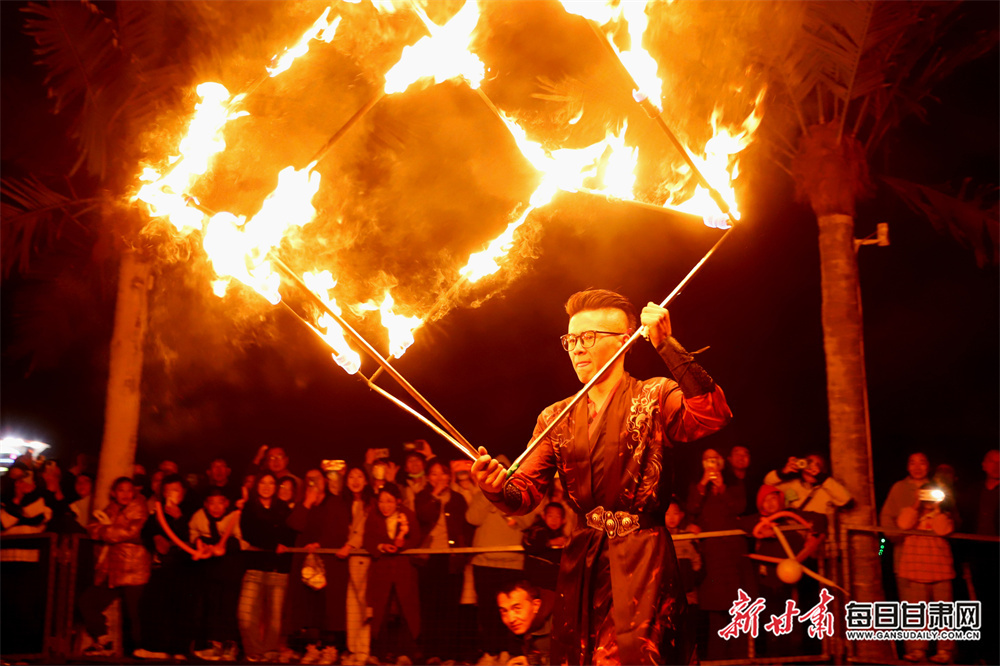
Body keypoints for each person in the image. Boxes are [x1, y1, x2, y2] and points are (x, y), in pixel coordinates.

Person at [471, 289, 731, 665]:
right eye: (571, 339)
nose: (577, 348)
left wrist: (667, 345)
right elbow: (524, 494)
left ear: (625, 341)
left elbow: (712, 414)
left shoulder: (654, 395)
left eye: (588, 337)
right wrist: (494, 487)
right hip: (584, 564)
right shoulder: (554, 418)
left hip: (644, 559)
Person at [686, 448, 754, 661]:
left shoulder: (734, 484)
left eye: (715, 459)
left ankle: (742, 660)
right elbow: (691, 509)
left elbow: (739, 508)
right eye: (707, 460)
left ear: (722, 463)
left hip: (734, 556)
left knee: (739, 609)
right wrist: (702, 484)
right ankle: (717, 662)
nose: (711, 464)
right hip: (712, 556)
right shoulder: (697, 486)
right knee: (716, 615)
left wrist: (722, 487)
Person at [79, 477, 152, 658]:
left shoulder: (140, 508)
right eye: (121, 490)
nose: (125, 494)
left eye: (129, 490)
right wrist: (109, 530)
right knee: (87, 602)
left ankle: (138, 653)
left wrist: (106, 530)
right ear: (114, 493)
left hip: (134, 568)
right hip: (112, 570)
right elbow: (92, 528)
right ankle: (104, 640)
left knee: (134, 615)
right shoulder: (111, 508)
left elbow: (131, 531)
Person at [286, 467, 352, 659]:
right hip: (306, 565)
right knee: (308, 608)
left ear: (325, 480)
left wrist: (321, 544)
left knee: (330, 610)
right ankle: (311, 648)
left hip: (330, 563)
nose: (313, 482)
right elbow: (294, 525)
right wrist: (307, 502)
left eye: (317, 478)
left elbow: (341, 531)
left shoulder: (337, 502)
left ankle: (331, 649)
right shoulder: (302, 503)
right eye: (309, 479)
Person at [414, 459, 471, 661]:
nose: (438, 477)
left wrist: (464, 555)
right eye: (434, 474)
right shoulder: (422, 497)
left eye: (442, 473)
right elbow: (421, 516)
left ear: (449, 476)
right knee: (430, 609)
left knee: (450, 609)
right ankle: (432, 653)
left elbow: (467, 528)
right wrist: (435, 496)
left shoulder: (458, 499)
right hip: (429, 559)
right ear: (428, 477)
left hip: (452, 558)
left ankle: (448, 654)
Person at [894, 482, 957, 664]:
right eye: (925, 494)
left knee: (944, 612)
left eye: (933, 494)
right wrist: (916, 503)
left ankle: (945, 650)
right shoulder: (911, 512)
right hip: (915, 567)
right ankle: (917, 649)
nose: (929, 497)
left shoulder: (945, 515)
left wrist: (937, 507)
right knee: (916, 612)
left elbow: (942, 529)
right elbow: (903, 524)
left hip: (940, 569)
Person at [238, 472, 296, 662]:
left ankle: (269, 652)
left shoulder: (283, 508)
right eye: (263, 482)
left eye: (271, 483)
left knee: (274, 618)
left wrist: (273, 541)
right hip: (254, 567)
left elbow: (289, 536)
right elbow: (250, 533)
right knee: (245, 614)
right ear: (257, 485)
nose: (267, 486)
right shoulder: (249, 508)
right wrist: (273, 544)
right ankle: (254, 650)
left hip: (278, 569)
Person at [364, 482, 422, 662]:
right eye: (381, 501)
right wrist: (380, 546)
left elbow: (417, 537)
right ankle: (379, 654)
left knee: (406, 612)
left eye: (389, 501)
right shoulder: (373, 516)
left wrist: (403, 544)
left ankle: (406, 653)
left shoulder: (408, 515)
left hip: (404, 571)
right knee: (382, 612)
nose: (385, 505)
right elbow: (367, 539)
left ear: (398, 501)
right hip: (382, 571)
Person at [188, 488, 242, 662]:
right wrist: (200, 544)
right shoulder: (199, 517)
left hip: (230, 571)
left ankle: (230, 647)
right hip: (208, 570)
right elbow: (193, 535)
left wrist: (223, 547)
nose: (216, 507)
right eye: (212, 503)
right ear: (206, 504)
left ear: (226, 503)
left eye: (220, 502)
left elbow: (242, 541)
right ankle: (213, 646)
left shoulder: (235, 516)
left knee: (228, 608)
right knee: (211, 607)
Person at [343, 466, 375, 661]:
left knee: (363, 603)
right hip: (349, 558)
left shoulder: (369, 503)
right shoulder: (345, 503)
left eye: (359, 476)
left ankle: (362, 650)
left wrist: (349, 545)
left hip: (362, 557)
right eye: (351, 476)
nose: (355, 480)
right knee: (351, 604)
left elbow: (363, 528)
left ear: (366, 480)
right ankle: (353, 648)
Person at [497, 580, 555, 666]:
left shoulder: (560, 625)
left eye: (517, 608)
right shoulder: (519, 625)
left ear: (536, 605)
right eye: (504, 611)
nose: (511, 619)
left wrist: (534, 663)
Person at [521, 502, 568, 591]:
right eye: (550, 516)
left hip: (554, 583)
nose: (554, 520)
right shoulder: (535, 531)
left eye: (557, 517)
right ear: (544, 516)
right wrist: (549, 543)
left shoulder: (562, 536)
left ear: (563, 520)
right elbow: (528, 545)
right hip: (536, 582)